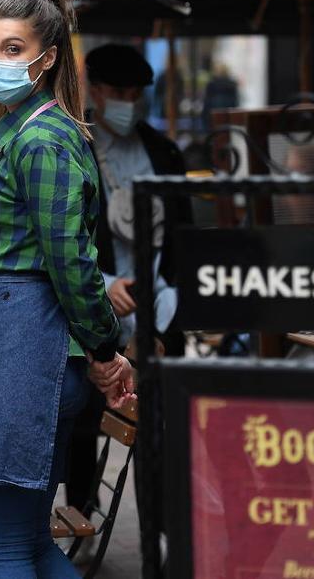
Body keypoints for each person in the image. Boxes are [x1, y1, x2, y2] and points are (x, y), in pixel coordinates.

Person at [0, 0, 133, 578]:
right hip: (28, 352)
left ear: (47, 59)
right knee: (29, 544)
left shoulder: (42, 141)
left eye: (12, 48)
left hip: (27, 353)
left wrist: (107, 349)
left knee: (5, 547)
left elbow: (72, 262)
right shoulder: (29, 134)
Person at [64, 44, 187, 524]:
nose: (128, 101)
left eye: (136, 93)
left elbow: (181, 241)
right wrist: (105, 285)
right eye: (118, 91)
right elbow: (66, 238)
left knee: (160, 430)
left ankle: (163, 528)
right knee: (84, 421)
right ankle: (80, 514)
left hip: (160, 314)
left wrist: (163, 315)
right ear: (94, 89)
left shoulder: (164, 151)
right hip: (97, 315)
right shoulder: (75, 149)